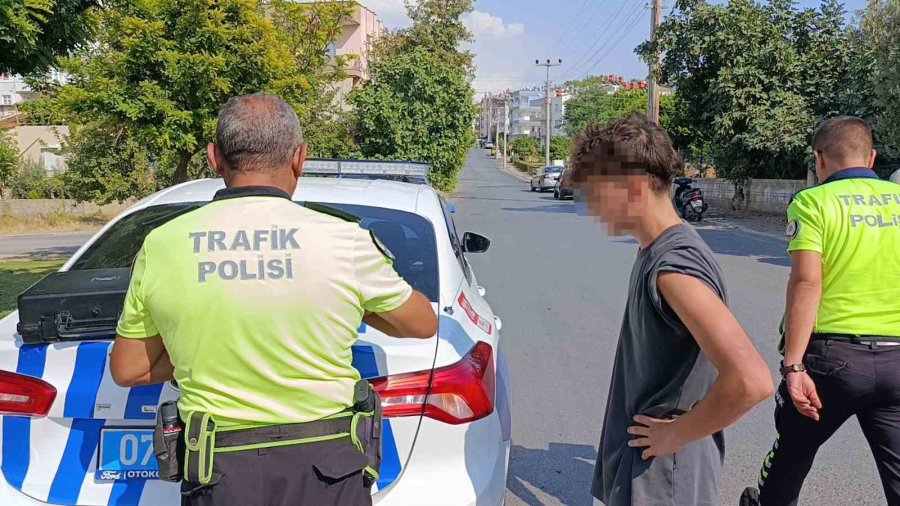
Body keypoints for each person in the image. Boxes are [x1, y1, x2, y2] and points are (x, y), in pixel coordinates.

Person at [108, 93, 438, 506]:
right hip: (328, 467)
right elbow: (423, 325)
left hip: (219, 472)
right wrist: (349, 308)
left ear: (214, 158)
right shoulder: (343, 240)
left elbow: (128, 369)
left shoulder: (162, 244)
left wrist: (206, 347)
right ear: (300, 157)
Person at [572, 113, 773, 506]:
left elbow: (752, 381)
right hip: (649, 470)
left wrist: (675, 434)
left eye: (596, 194)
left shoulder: (674, 268)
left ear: (631, 188)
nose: (592, 209)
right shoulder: (655, 250)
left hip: (664, 481)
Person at [743, 116, 900, 506]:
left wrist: (794, 366)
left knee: (789, 460)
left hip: (834, 364)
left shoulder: (813, 202)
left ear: (819, 159)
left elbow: (807, 283)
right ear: (873, 156)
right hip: (897, 359)